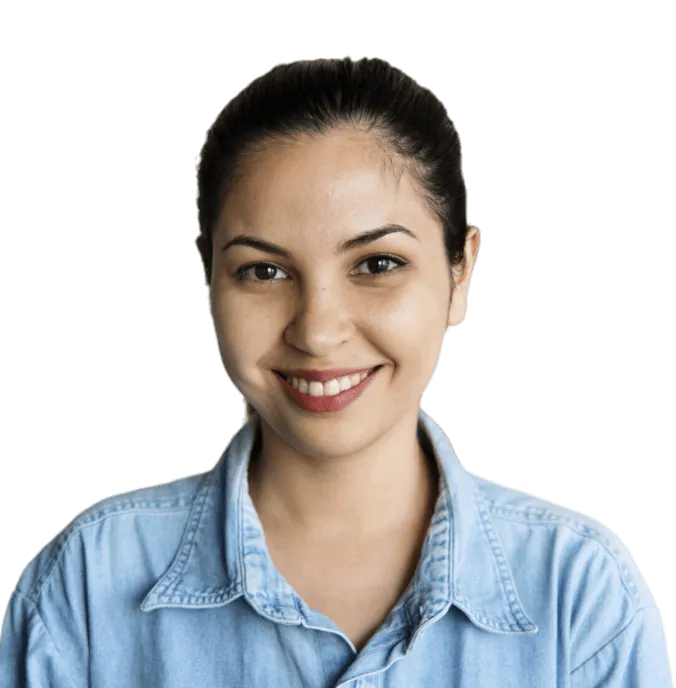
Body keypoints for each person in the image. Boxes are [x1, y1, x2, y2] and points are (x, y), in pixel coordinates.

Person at [0, 57, 671, 687]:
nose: (317, 331)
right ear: (209, 282)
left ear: (461, 274)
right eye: (264, 271)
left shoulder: (581, 596)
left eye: (378, 264)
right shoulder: (85, 585)